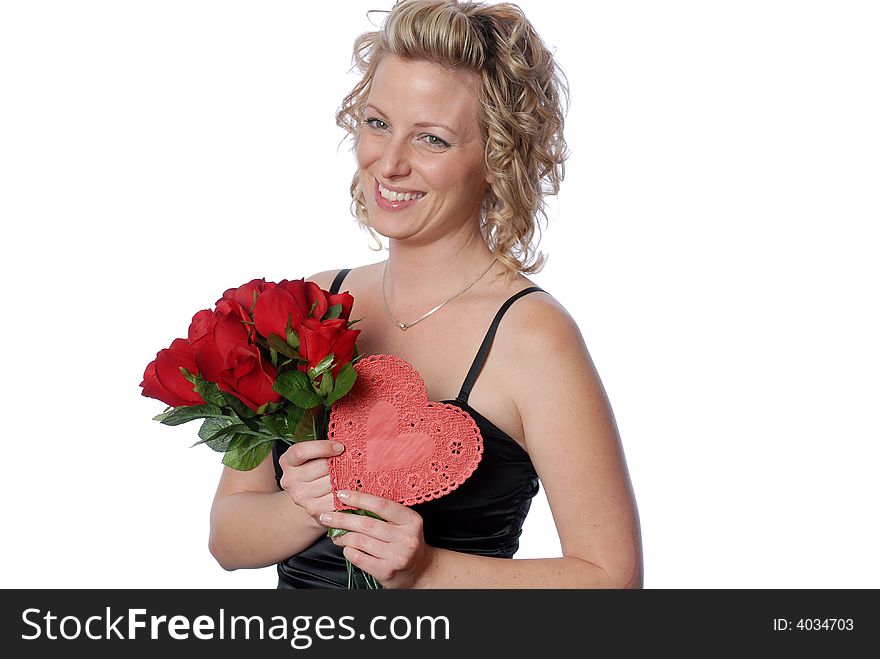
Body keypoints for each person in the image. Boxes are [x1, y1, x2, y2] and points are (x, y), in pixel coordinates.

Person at [208, 0, 643, 589]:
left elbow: (612, 580)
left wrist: (427, 570)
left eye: (431, 140)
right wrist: (302, 505)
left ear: (498, 155)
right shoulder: (307, 306)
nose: (388, 164)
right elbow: (227, 537)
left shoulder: (532, 336)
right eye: (378, 123)